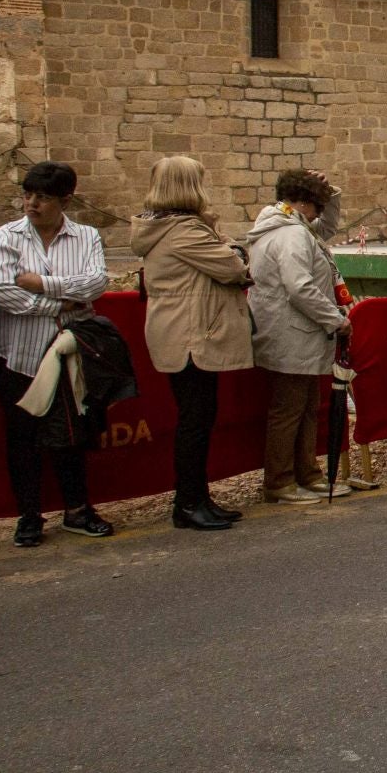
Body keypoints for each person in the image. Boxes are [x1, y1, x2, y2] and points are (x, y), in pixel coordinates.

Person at [0, 162, 114, 547]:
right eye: (28, 195)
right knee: (22, 437)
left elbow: (96, 283)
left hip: (67, 353)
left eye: (42, 197)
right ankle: (29, 516)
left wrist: (41, 283)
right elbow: (0, 290)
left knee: (70, 434)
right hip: (16, 353)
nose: (32, 203)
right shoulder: (7, 236)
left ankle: (77, 509)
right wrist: (58, 304)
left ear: (65, 200)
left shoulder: (86, 236)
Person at [132, 155, 253, 531]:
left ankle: (197, 497)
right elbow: (234, 267)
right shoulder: (185, 230)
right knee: (195, 421)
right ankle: (188, 502)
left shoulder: (165, 227)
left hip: (181, 331)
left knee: (197, 418)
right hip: (192, 335)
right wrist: (231, 247)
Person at [246, 168, 352, 505]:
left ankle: (306, 473)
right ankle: (279, 480)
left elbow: (328, 227)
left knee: (305, 408)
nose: (320, 212)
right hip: (292, 334)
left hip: (294, 333)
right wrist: (335, 319)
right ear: (307, 203)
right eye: (319, 204)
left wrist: (329, 192)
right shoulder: (292, 234)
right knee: (289, 410)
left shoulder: (291, 226)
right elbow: (300, 288)